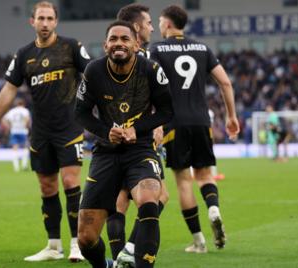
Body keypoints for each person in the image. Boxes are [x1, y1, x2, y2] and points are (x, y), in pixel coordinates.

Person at [0, 1, 90, 262]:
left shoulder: (71, 46)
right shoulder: (24, 54)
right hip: (41, 132)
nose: (45, 23)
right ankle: (53, 246)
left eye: (49, 18)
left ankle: (77, 244)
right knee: (46, 187)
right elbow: (10, 89)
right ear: (32, 22)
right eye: (40, 18)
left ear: (56, 22)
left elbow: (94, 73)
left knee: (70, 182)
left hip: (69, 127)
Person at [75, 20, 174, 268]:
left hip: (140, 150)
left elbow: (167, 110)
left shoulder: (151, 69)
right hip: (105, 154)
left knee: (151, 201)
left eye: (125, 39)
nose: (119, 43)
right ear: (106, 44)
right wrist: (105, 131)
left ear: (136, 44)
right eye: (114, 39)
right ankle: (107, 265)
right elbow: (81, 112)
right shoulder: (93, 71)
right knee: (85, 239)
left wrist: (137, 129)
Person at [149, 5, 240, 251]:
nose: (158, 26)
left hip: (173, 124)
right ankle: (213, 209)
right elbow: (225, 82)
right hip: (202, 121)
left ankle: (199, 241)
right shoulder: (202, 48)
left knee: (183, 182)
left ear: (167, 24)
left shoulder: (156, 49)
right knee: (205, 175)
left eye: (159, 22)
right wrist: (231, 116)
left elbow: (148, 87)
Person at [106, 4, 169, 267]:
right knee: (158, 196)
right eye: (149, 23)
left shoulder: (112, 57)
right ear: (135, 28)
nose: (153, 27)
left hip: (112, 136)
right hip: (136, 139)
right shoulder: (139, 57)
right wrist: (151, 124)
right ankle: (128, 251)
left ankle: (122, 254)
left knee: (122, 198)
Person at [1, 98, 31, 172]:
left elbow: (3, 120)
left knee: (15, 148)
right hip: (23, 131)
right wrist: (26, 125)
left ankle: (16, 168)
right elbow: (27, 118)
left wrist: (9, 127)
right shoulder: (25, 110)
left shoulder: (12, 111)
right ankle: (24, 165)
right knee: (25, 147)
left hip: (14, 131)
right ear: (23, 104)